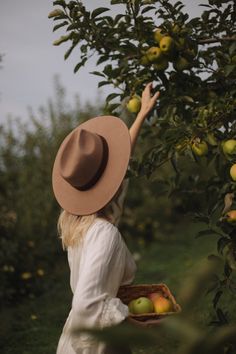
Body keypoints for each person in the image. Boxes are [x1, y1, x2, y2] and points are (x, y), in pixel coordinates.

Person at [52, 82, 160, 354]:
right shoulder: (105, 233)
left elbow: (121, 170)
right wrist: (128, 318)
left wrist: (141, 114)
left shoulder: (79, 223)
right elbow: (87, 304)